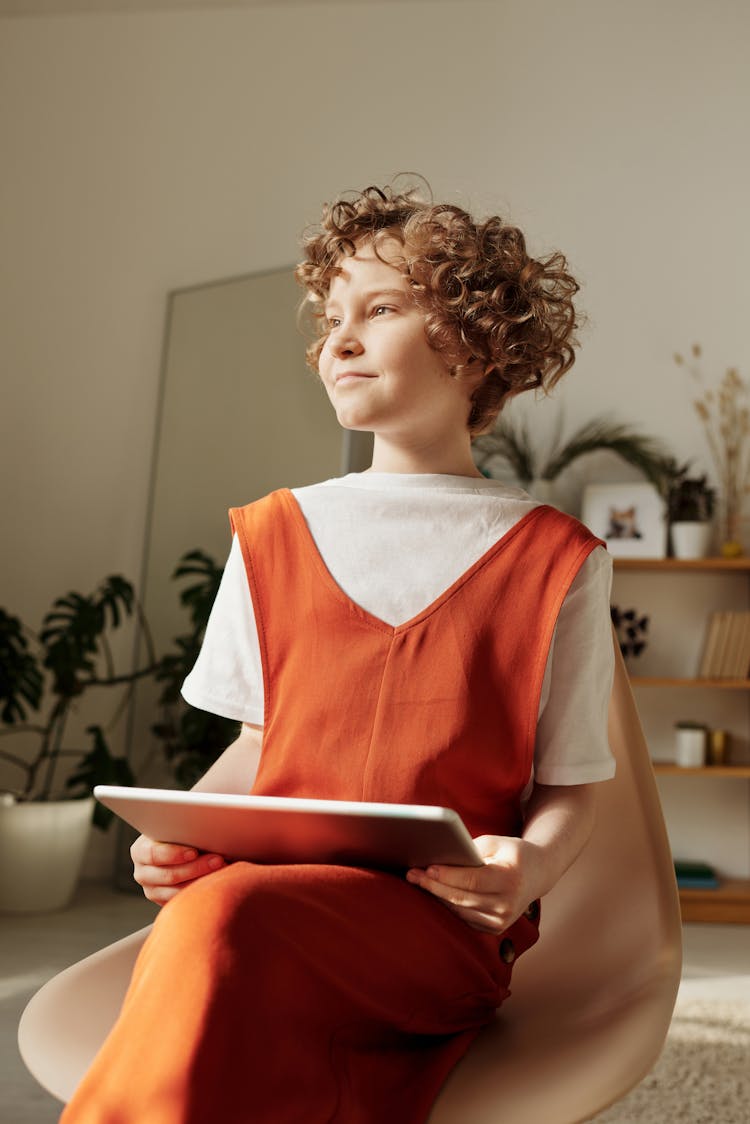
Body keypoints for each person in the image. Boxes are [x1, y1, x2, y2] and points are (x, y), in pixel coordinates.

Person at [61, 182, 615, 1123]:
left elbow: (570, 787)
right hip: (256, 905)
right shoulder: (271, 532)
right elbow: (256, 744)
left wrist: (529, 870)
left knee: (224, 927)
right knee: (220, 924)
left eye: (382, 309)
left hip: (437, 936)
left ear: (479, 347)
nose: (339, 341)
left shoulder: (556, 558)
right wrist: (183, 831)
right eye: (330, 319)